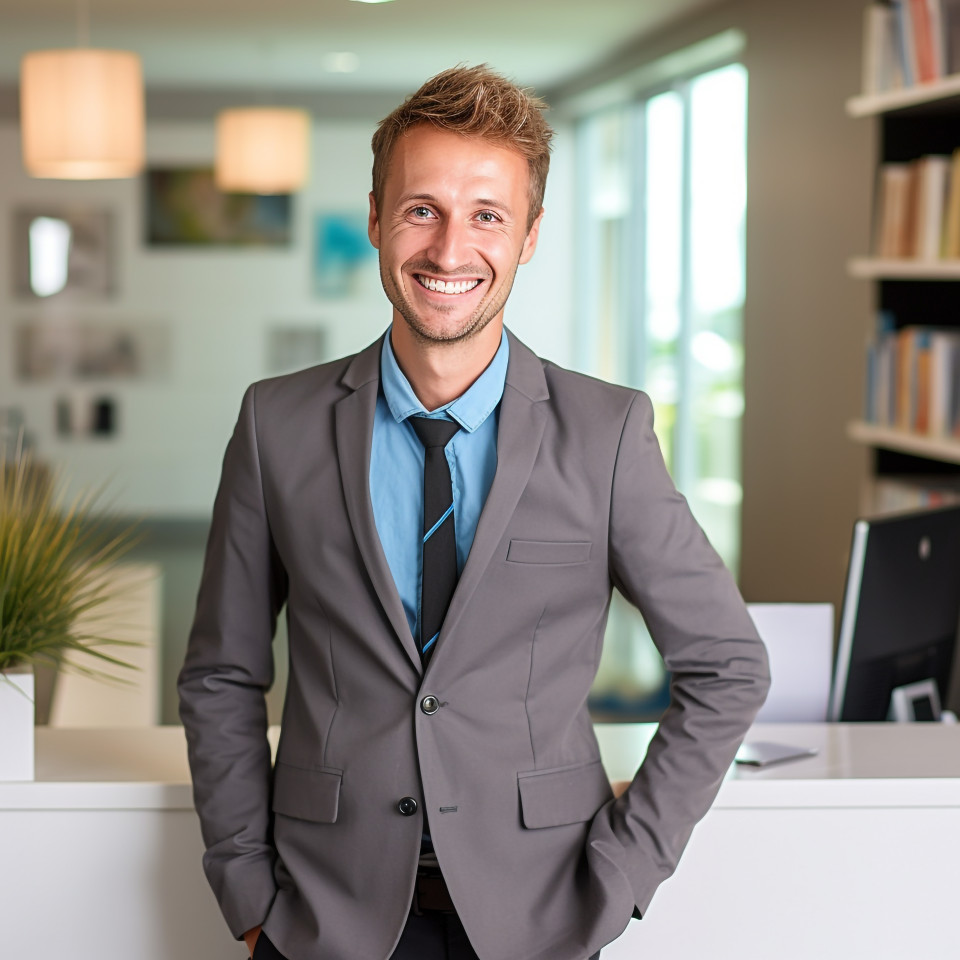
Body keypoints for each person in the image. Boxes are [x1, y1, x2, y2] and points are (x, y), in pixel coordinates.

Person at [178, 64, 770, 960]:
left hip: (541, 915)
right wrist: (246, 884)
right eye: (421, 209)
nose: (450, 251)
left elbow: (727, 667)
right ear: (376, 218)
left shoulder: (607, 432)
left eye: (487, 215)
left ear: (529, 236)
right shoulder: (277, 422)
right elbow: (221, 673)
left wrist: (624, 872)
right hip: (321, 915)